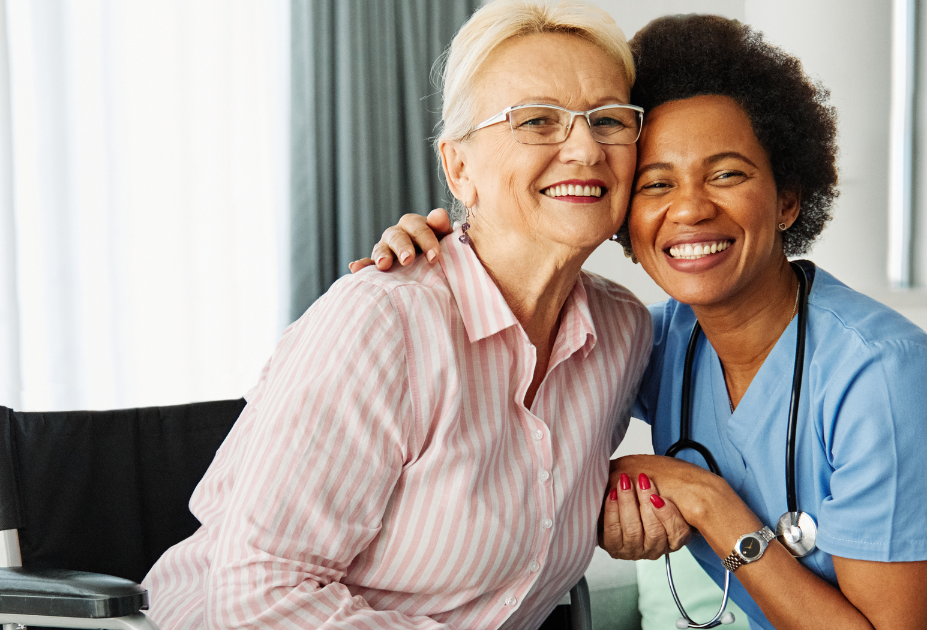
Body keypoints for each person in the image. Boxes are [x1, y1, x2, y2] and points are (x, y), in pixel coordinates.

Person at [354, 13, 927, 630]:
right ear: (625, 223)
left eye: (726, 174)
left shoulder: (883, 379)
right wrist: (437, 253)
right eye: (657, 184)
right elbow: (521, 389)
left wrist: (705, 502)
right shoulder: (653, 341)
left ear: (787, 200)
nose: (691, 210)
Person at [141, 2, 692, 628]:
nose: (586, 148)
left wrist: (615, 504)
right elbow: (258, 594)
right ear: (458, 167)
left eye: (609, 120)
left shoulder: (624, 333)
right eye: (537, 121)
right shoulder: (382, 322)